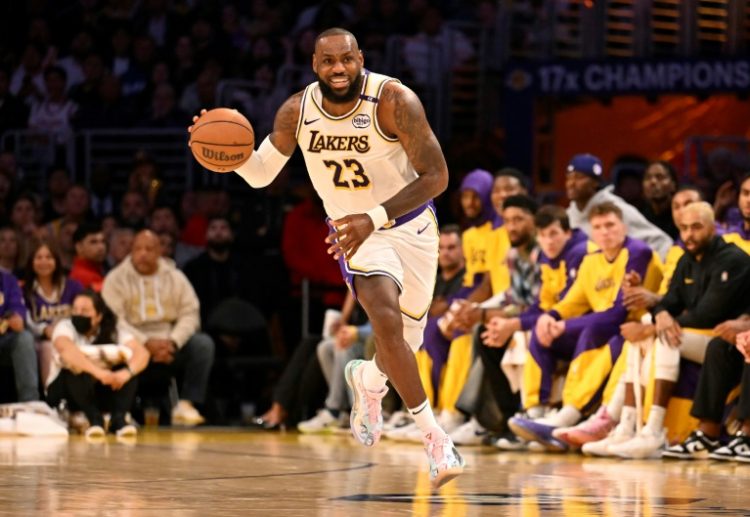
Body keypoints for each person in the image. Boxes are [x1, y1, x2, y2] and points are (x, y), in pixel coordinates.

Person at [191, 27, 463, 487]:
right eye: (328, 62)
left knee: (405, 346)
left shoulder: (394, 101)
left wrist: (374, 216)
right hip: (355, 237)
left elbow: (437, 177)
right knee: (387, 325)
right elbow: (260, 175)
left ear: (361, 57)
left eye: (347, 60)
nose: (339, 69)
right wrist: (226, 153)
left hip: (411, 226)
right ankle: (435, 440)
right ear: (314, 65)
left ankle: (369, 383)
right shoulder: (297, 111)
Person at [101, 230, 214, 426]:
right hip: (132, 341)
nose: (143, 254)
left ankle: (186, 404)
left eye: (149, 249)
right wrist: (144, 343)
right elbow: (114, 319)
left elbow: (190, 313)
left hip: (169, 340)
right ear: (131, 251)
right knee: (109, 342)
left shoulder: (176, 276)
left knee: (202, 344)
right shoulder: (115, 278)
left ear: (160, 251)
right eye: (138, 249)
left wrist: (173, 342)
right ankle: (120, 411)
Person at [46, 291, 149, 438]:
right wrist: (99, 373)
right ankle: (94, 419)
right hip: (63, 391)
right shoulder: (65, 326)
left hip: (98, 390)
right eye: (75, 310)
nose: (78, 314)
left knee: (127, 368)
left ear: (99, 316)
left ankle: (118, 420)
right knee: (74, 367)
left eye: (85, 310)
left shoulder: (114, 330)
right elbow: (65, 350)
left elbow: (142, 353)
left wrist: (126, 374)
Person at [565, 153, 672, 259]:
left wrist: (661, 272)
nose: (571, 183)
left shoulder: (615, 208)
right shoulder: (568, 215)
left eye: (579, 177)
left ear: (595, 182)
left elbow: (661, 242)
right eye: (569, 178)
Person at [22, 240, 84, 386]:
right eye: (39, 257)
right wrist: (45, 330)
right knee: (47, 347)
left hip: (73, 335)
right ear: (31, 261)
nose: (44, 261)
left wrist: (63, 329)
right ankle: (52, 397)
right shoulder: (25, 290)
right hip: (42, 340)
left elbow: (83, 313)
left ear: (56, 260)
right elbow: (27, 321)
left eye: (49, 257)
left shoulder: (73, 286)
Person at [0, 269, 38, 402]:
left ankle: (30, 402)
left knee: (24, 338)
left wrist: (17, 318)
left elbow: (18, 308)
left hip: (5, 338)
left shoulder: (8, 279)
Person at [69, 222, 107, 291]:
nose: (101, 247)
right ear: (79, 247)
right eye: (93, 242)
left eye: (103, 241)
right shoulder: (82, 276)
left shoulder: (97, 270)